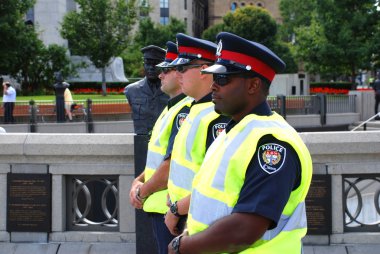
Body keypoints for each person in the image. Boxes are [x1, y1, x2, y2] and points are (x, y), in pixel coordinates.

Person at [168, 32, 313, 254]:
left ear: (253, 85)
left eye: (224, 79)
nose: (214, 85)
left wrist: (183, 246)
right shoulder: (234, 130)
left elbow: (246, 228)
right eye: (214, 77)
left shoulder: (272, 144)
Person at [129, 41, 193, 254]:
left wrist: (141, 192)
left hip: (173, 211)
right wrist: (138, 180)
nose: (160, 74)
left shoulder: (184, 111)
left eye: (167, 69)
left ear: (181, 73)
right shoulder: (172, 107)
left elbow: (170, 165)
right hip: (163, 208)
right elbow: (158, 159)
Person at [164, 33, 230, 237]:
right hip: (183, 214)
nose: (177, 74)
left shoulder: (216, 116)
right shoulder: (195, 109)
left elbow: (216, 180)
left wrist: (177, 209)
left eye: (182, 68)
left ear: (203, 70)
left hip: (200, 220)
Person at [124, 45, 169, 135]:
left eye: (156, 64)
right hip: (140, 141)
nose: (151, 68)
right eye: (148, 63)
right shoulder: (131, 90)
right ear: (144, 64)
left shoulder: (171, 90)